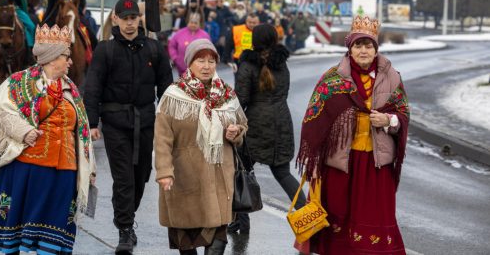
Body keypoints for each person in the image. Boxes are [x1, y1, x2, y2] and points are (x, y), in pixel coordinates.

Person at [0, 24, 96, 254]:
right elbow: (2, 111)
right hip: (29, 169)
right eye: (65, 56)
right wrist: (23, 131)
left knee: (55, 231)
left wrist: (89, 168)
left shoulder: (71, 89)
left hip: (65, 171)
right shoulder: (20, 82)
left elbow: (82, 132)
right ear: (50, 59)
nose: (70, 62)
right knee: (21, 225)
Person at [295, 15, 410, 254]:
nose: (364, 50)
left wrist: (388, 120)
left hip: (375, 166)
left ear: (376, 49)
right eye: (358, 45)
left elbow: (403, 115)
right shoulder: (332, 78)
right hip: (341, 165)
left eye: (369, 45)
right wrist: (315, 161)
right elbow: (314, 117)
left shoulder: (392, 77)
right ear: (350, 48)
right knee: (339, 220)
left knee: (374, 219)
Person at [84, 0, 174, 253]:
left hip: (145, 122)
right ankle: (125, 229)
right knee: (123, 179)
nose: (130, 23)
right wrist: (92, 122)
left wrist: (171, 121)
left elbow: (166, 88)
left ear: (139, 19)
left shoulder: (155, 50)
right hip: (115, 123)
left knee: (141, 177)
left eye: (133, 18)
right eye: (125, 18)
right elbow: (93, 89)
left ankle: (124, 212)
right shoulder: (105, 50)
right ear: (115, 19)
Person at [154, 39, 248, 255]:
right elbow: (162, 138)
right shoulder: (173, 95)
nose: (207, 66)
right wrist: (164, 171)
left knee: (217, 239)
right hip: (186, 178)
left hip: (219, 178)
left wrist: (236, 132)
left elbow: (243, 124)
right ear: (189, 63)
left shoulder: (227, 94)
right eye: (200, 60)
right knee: (186, 241)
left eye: (211, 61)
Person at [230, 24, 305, 235]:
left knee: (241, 172)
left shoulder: (247, 65)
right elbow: (284, 92)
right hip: (281, 122)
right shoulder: (282, 65)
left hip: (254, 125)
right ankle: (309, 219)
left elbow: (240, 99)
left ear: (254, 40)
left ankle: (240, 223)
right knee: (283, 173)